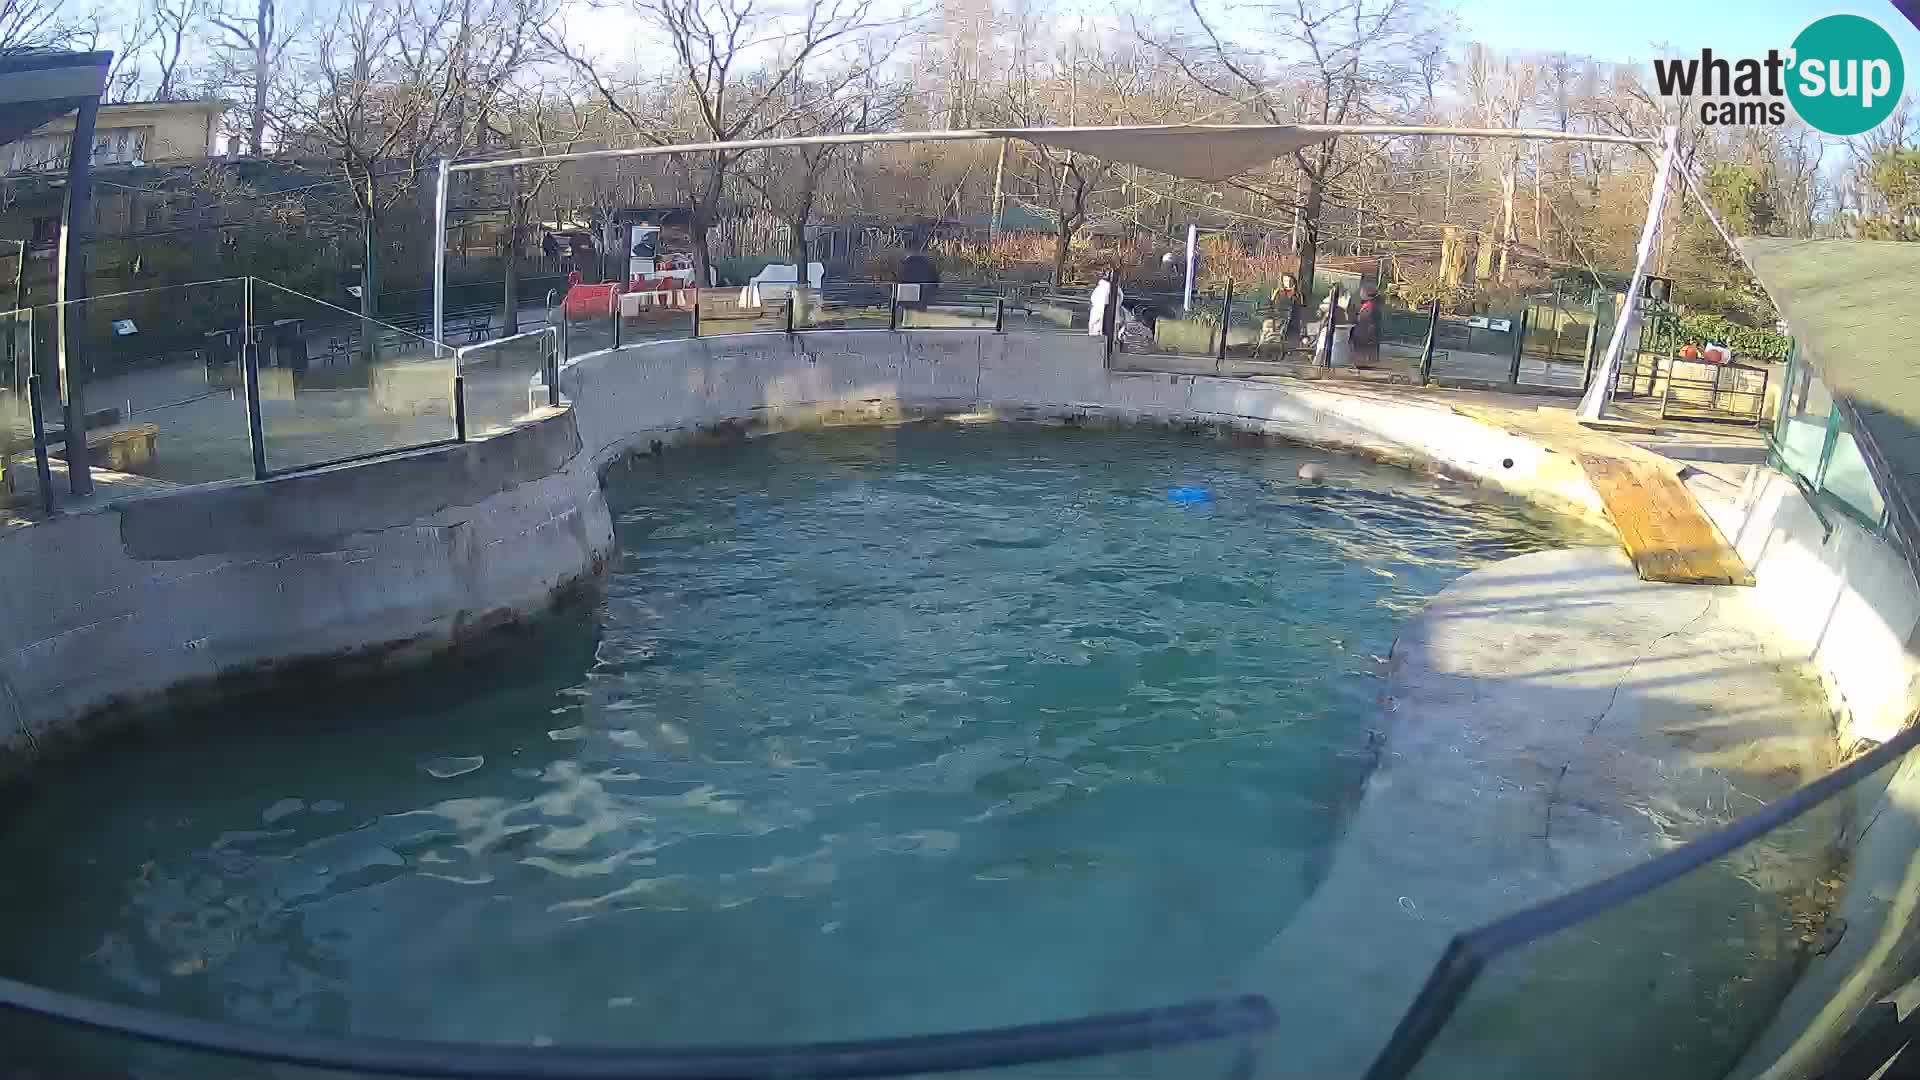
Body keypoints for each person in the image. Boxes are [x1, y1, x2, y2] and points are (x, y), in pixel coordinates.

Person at [1350, 285, 1382, 369]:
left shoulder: (1371, 306)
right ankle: (1361, 364)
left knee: (1364, 351)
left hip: (1365, 333)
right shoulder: (1367, 305)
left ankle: (1364, 365)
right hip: (1362, 332)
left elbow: (1368, 320)